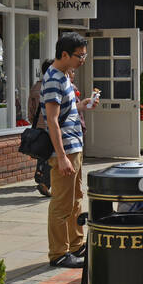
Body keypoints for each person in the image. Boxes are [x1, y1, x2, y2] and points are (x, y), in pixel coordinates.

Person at [43, 33, 99, 269]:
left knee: (75, 198)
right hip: (65, 150)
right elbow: (52, 120)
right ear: (64, 54)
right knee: (61, 203)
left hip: (74, 147)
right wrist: (62, 156)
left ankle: (76, 245)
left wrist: (81, 105)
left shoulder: (64, 76)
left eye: (84, 55)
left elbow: (65, 111)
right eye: (80, 55)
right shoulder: (54, 78)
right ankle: (58, 253)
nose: (83, 60)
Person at [27, 58, 53, 197]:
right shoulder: (53, 85)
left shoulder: (36, 87)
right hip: (51, 125)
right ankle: (44, 181)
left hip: (39, 125)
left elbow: (30, 108)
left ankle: (39, 173)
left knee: (42, 151)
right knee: (50, 154)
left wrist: (33, 121)